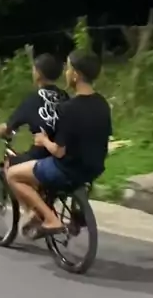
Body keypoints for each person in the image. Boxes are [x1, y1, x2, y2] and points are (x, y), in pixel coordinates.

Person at [6, 50, 112, 238]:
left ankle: (50, 219)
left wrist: (43, 141)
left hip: (66, 170)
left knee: (13, 175)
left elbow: (59, 152)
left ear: (76, 75)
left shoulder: (69, 109)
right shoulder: (102, 103)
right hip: (94, 168)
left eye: (69, 69)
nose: (66, 73)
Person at [0, 53, 68, 167]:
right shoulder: (65, 96)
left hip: (41, 156)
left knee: (8, 165)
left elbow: (5, 130)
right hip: (65, 155)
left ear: (38, 74)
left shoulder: (32, 100)